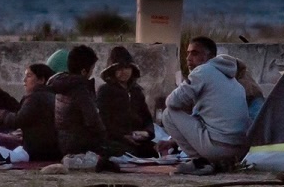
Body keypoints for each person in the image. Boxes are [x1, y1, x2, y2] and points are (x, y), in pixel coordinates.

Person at [161, 36, 250, 172]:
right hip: (241, 151)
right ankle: (217, 163)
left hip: (219, 147)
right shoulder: (233, 81)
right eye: (188, 53)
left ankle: (200, 163)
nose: (188, 58)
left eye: (195, 53)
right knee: (193, 116)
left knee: (168, 113)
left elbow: (172, 102)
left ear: (210, 56)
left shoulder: (203, 71)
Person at [45, 45, 119, 171]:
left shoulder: (62, 84)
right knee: (123, 149)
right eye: (92, 68)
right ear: (84, 71)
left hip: (64, 142)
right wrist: (105, 139)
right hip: (80, 144)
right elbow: (92, 120)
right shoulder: (79, 88)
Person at [0, 63, 61, 161]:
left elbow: (18, 120)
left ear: (41, 80)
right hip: (52, 148)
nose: (24, 80)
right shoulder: (52, 95)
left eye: (29, 76)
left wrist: (2, 115)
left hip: (38, 149)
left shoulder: (35, 98)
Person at [96, 48, 156, 158]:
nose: (124, 72)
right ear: (112, 71)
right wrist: (123, 136)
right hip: (116, 140)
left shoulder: (136, 91)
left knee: (156, 151)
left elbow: (147, 118)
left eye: (127, 67)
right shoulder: (105, 91)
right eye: (119, 69)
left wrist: (147, 133)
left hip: (137, 139)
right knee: (123, 152)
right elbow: (103, 121)